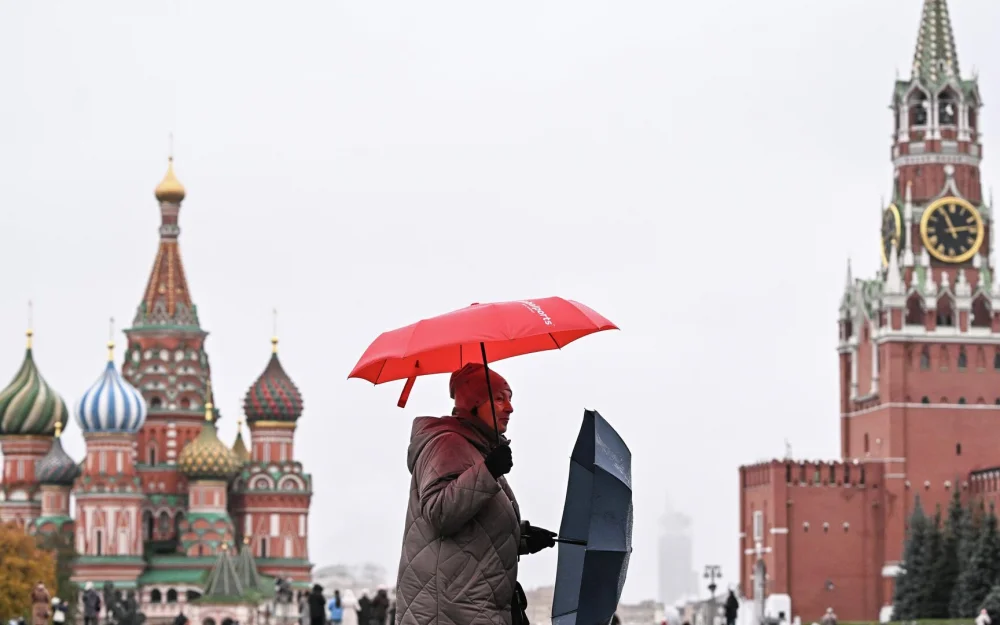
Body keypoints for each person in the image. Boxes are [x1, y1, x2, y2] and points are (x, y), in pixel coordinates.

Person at [394, 363, 557, 625]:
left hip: (472, 607)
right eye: (499, 398)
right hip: (452, 612)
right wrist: (488, 471)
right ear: (474, 403)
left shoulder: (476, 449)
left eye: (510, 398)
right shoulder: (447, 444)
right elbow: (440, 513)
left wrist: (521, 537)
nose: (510, 408)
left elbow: (473, 529)